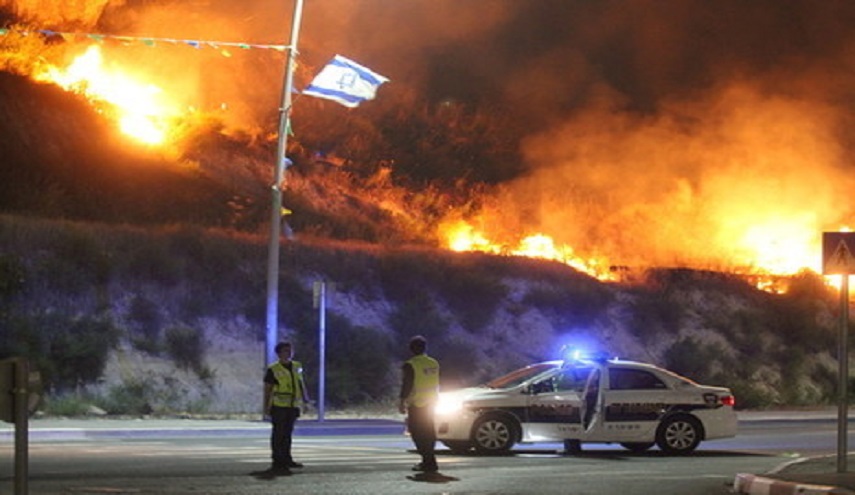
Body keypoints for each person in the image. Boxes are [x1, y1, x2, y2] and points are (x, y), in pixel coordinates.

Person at [264, 341, 310, 474]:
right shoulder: (273, 369)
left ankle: (287, 459)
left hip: (292, 405)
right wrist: (266, 406)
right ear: (279, 353)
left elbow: (301, 383)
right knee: (278, 434)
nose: (289, 353)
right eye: (285, 351)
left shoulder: (297, 366)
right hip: (279, 406)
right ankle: (277, 461)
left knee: (288, 434)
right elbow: (268, 389)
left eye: (290, 350)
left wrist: (305, 400)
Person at [398, 335, 440, 473]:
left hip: (417, 403)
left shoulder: (410, 365)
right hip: (431, 403)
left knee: (417, 433)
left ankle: (428, 461)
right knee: (429, 432)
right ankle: (429, 460)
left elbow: (407, 385)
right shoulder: (434, 363)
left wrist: (401, 401)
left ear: (411, 349)